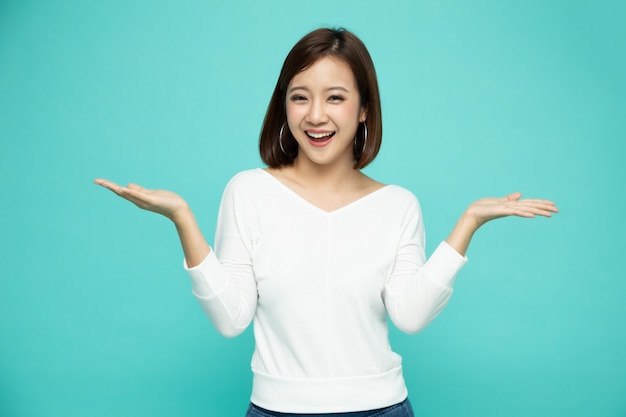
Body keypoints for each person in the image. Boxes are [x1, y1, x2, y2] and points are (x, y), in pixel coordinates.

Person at [94, 28, 558, 417]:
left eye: (335, 97)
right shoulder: (249, 192)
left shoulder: (398, 205)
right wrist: (182, 218)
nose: (316, 115)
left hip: (383, 409)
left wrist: (468, 223)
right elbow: (232, 318)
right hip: (276, 409)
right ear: (285, 107)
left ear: (363, 110)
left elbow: (410, 316)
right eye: (300, 97)